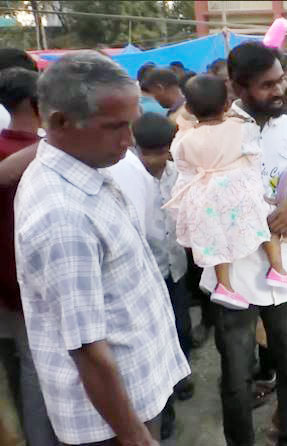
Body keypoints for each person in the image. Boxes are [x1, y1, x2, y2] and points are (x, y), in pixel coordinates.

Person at [14, 50, 190, 446]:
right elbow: (87, 348)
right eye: (115, 128)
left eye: (130, 126)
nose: (129, 142)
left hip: (133, 393)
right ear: (59, 122)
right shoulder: (61, 214)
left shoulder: (87, 169)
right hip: (111, 422)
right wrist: (134, 436)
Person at [208, 41, 287, 446]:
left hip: (284, 269)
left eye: (281, 81)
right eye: (266, 85)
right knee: (237, 377)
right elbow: (195, 200)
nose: (278, 91)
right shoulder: (216, 133)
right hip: (233, 273)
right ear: (237, 87)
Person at [165, 74, 287, 312]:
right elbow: (254, 154)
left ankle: (224, 285)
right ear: (227, 104)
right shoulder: (241, 128)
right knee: (266, 222)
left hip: (205, 194)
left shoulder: (184, 138)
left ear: (189, 107)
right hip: (239, 191)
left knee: (216, 241)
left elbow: (182, 165)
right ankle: (278, 269)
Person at [0, 67, 59, 446]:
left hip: (7, 279)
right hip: (26, 281)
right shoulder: (37, 153)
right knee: (38, 369)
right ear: (37, 104)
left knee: (15, 362)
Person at [131, 112, 195, 439]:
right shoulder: (127, 179)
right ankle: (163, 404)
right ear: (135, 147)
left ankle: (181, 372)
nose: (156, 159)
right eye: (149, 152)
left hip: (175, 267)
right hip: (147, 272)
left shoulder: (177, 173)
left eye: (162, 151)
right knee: (156, 337)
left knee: (181, 326)